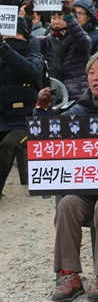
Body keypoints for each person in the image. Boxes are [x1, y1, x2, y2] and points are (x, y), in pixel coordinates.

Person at [39, 51, 98, 302]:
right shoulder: (78, 110)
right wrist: (43, 113)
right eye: (91, 73)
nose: (95, 77)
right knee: (67, 203)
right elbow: (49, 143)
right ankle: (69, 276)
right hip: (88, 189)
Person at [0, 18, 45, 196]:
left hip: (26, 122)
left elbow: (29, 71)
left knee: (8, 145)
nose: (9, 38)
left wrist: (4, 48)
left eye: (13, 33)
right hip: (2, 117)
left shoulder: (34, 55)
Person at [38, 1, 92, 101]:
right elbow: (28, 41)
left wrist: (70, 20)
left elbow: (83, 41)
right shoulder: (47, 41)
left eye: (61, 18)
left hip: (77, 95)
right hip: (54, 95)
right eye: (54, 18)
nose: (56, 21)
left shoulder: (78, 39)